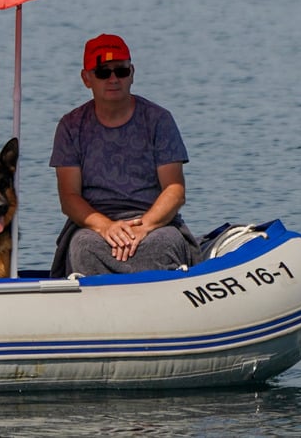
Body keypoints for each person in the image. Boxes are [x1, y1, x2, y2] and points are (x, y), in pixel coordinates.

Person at [48, 34, 201, 277]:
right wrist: (106, 227)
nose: (113, 79)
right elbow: (69, 197)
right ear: (86, 78)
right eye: (102, 72)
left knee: (163, 244)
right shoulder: (70, 126)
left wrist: (145, 227)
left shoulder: (159, 120)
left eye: (121, 71)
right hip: (95, 225)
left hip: (154, 223)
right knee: (83, 247)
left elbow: (174, 190)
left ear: (132, 73)